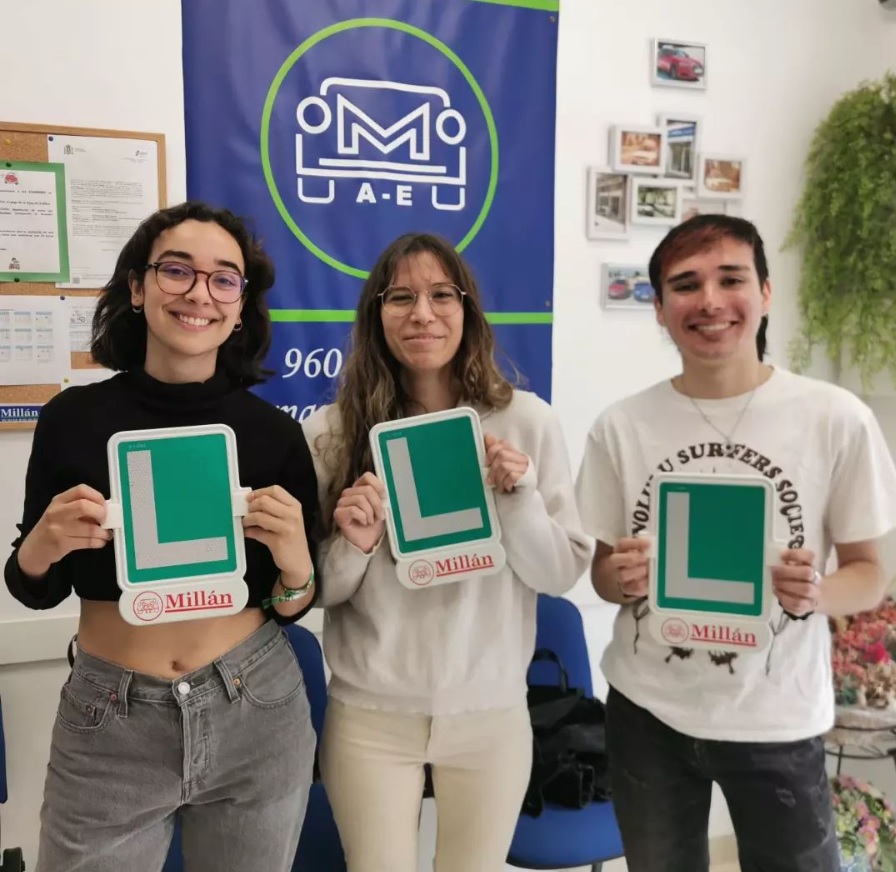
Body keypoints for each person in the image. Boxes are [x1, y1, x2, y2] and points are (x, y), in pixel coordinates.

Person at [4, 202, 320, 872]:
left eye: (224, 279)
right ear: (138, 288)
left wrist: (296, 565)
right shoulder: (72, 419)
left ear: (240, 306)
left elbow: (293, 602)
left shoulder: (275, 435)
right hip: (110, 716)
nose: (199, 292)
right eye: (177, 271)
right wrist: (43, 544)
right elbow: (33, 587)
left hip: (256, 707)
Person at [575, 213, 896, 872]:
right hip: (646, 714)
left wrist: (816, 593)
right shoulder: (622, 426)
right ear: (660, 310)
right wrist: (621, 579)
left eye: (731, 279)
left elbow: (870, 574)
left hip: (776, 720)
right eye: (685, 285)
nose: (711, 302)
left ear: (766, 293)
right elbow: (602, 573)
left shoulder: (835, 419)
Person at [302, 232, 591, 872]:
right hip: (370, 716)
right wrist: (352, 544)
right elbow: (317, 590)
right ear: (376, 314)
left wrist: (518, 497)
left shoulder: (528, 422)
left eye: (440, 295)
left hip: (491, 715)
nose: (422, 314)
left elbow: (559, 572)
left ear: (468, 310)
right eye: (400, 297)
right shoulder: (329, 432)